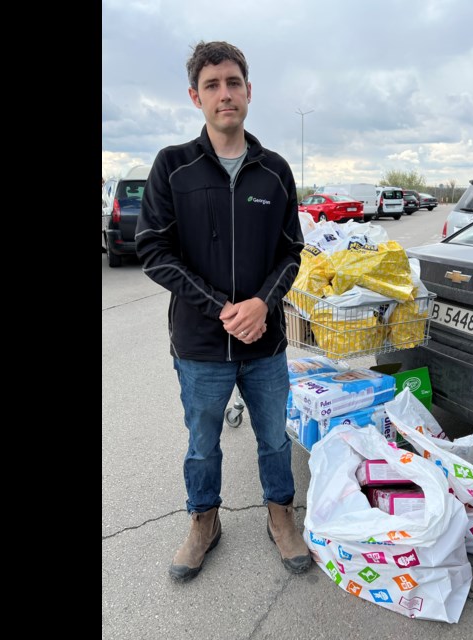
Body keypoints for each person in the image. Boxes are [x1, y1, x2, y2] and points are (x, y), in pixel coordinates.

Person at [135, 40, 309, 582]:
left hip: (266, 342)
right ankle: (204, 520)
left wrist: (261, 304)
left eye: (233, 83)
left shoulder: (274, 171)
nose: (224, 94)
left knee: (275, 437)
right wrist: (223, 308)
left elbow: (292, 252)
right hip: (201, 344)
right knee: (202, 442)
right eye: (212, 85)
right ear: (196, 97)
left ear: (249, 92)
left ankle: (281, 515)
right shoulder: (173, 167)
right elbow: (152, 250)